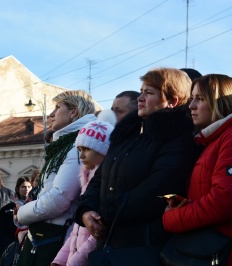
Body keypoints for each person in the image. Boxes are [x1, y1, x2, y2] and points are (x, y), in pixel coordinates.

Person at [75, 68, 202, 263]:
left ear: (172, 101)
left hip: (145, 246)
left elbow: (159, 190)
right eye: (141, 91)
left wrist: (107, 212)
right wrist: (86, 211)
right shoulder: (126, 134)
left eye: (149, 93)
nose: (140, 98)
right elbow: (99, 179)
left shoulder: (178, 139)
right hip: (109, 245)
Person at [14, 90, 98, 266]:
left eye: (57, 108)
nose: (51, 114)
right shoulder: (64, 145)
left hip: (57, 237)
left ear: (74, 112)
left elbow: (59, 198)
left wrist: (22, 213)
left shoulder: (77, 146)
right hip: (46, 234)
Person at [162, 74, 232, 264]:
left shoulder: (229, 137)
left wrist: (173, 218)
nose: (191, 106)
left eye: (200, 99)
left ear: (222, 102)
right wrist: (187, 203)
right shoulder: (211, 141)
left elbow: (224, 200)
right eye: (192, 98)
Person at [52, 118, 115, 266]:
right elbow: (77, 229)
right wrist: (60, 260)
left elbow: (96, 233)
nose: (81, 155)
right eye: (79, 150)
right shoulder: (86, 178)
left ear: (103, 149)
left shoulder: (105, 182)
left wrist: (74, 262)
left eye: (86, 149)